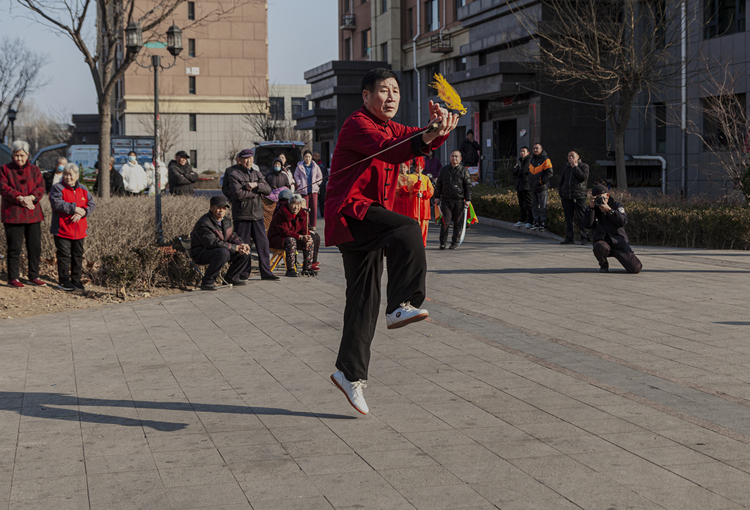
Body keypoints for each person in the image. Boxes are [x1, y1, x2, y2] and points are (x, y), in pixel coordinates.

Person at [324, 67, 457, 414]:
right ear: (366, 96)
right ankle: (403, 304)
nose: (391, 97)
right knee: (408, 229)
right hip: (351, 213)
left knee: (364, 301)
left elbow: (411, 138)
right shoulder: (358, 124)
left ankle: (349, 375)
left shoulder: (391, 126)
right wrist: (428, 134)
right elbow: (390, 150)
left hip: (365, 219)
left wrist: (439, 130)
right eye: (383, 90)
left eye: (395, 91)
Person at [227, 148, 279, 281]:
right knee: (244, 246)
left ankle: (266, 272)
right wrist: (256, 193)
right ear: (240, 160)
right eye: (246, 158)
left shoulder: (257, 174)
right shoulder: (234, 174)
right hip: (242, 215)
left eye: (250, 158)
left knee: (263, 245)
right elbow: (237, 194)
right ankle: (244, 273)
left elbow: (268, 190)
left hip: (258, 215)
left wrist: (256, 185)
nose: (248, 161)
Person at [0, 140, 46, 288]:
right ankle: (13, 277)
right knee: (14, 247)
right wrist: (20, 198)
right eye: (16, 155)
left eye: (22, 155)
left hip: (33, 213)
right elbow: (4, 188)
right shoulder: (4, 169)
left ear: (27, 155)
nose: (19, 158)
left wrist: (31, 198)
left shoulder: (35, 170)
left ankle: (33, 276)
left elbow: (41, 187)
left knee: (34, 247)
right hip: (13, 214)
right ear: (12, 155)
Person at [49, 163, 95, 291]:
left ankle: (76, 280)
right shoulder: (57, 188)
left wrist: (83, 212)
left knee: (78, 255)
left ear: (77, 176)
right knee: (63, 255)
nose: (68, 177)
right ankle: (63, 281)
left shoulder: (84, 189)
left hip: (79, 230)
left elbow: (91, 204)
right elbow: (56, 203)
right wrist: (75, 208)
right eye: (66, 174)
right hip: (62, 229)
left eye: (71, 174)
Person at [190, 196, 252, 290]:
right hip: (201, 253)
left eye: (224, 208)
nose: (221, 210)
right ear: (211, 208)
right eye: (219, 207)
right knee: (223, 253)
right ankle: (207, 282)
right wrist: (234, 248)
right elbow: (213, 243)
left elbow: (231, 236)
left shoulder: (226, 220)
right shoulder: (204, 223)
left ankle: (232, 278)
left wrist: (241, 245)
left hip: (219, 250)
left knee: (244, 253)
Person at [583, 184, 642, 274]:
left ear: (607, 196)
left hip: (619, 243)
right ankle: (603, 264)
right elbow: (587, 225)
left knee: (635, 268)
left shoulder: (617, 205)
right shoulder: (592, 209)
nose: (600, 201)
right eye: (597, 198)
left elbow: (623, 221)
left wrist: (609, 211)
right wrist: (590, 209)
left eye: (602, 198)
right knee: (599, 246)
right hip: (603, 242)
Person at [267, 193, 317, 277]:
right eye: (293, 203)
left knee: (310, 241)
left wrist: (307, 237)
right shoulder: (281, 214)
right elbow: (284, 232)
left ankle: (307, 268)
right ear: (289, 204)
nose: (296, 207)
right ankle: (290, 269)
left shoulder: (302, 214)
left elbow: (305, 230)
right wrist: (300, 237)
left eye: (298, 204)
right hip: (277, 239)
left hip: (293, 238)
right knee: (291, 240)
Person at [434, 150, 472, 250]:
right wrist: (436, 197)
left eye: (456, 156)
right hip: (446, 200)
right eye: (452, 156)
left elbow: (468, 186)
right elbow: (439, 184)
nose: (454, 158)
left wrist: (468, 199)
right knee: (445, 222)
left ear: (460, 159)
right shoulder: (444, 170)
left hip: (459, 200)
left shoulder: (464, 171)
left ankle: (455, 242)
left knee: (457, 222)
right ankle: (443, 242)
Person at [558, 151, 591, 244]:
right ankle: (569, 238)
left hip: (579, 196)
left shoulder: (584, 166)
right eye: (569, 156)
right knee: (568, 218)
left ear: (578, 157)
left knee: (582, 217)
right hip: (567, 197)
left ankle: (585, 237)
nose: (570, 158)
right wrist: (561, 192)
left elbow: (583, 177)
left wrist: (575, 167)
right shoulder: (566, 168)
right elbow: (561, 181)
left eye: (572, 156)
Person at [405, 158, 434, 247]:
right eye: (418, 166)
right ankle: (415, 242)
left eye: (421, 166)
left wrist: (424, 194)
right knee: (415, 224)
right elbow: (410, 189)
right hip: (415, 206)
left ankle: (423, 243)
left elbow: (431, 191)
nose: (419, 168)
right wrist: (418, 182)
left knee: (424, 226)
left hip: (424, 206)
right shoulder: (410, 177)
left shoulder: (426, 178)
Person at [294, 150, 323, 229]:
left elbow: (320, 176)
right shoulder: (299, 166)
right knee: (304, 208)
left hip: (313, 190)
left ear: (311, 157)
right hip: (303, 191)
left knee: (314, 208)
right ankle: (305, 225)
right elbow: (296, 176)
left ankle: (313, 225)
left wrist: (317, 183)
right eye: (306, 156)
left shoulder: (315, 166)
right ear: (303, 157)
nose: (307, 158)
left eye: (309, 156)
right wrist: (299, 182)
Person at [528, 143, 553, 231]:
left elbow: (549, 173)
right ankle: (536, 222)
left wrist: (541, 182)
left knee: (542, 206)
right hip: (533, 187)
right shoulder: (532, 160)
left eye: (537, 148)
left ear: (541, 149)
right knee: (534, 205)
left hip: (542, 187)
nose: (535, 150)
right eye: (534, 148)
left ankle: (543, 223)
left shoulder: (545, 159)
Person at [512, 147, 533, 229]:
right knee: (521, 204)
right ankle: (522, 219)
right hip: (520, 185)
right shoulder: (520, 161)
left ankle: (530, 221)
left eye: (523, 151)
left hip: (526, 185)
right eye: (520, 151)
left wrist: (518, 170)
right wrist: (518, 169)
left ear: (528, 152)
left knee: (528, 203)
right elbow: (514, 172)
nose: (521, 153)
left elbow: (523, 171)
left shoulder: (528, 160)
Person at [313, 150, 329, 217]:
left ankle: (323, 214)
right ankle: (313, 215)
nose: (317, 157)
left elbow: (326, 174)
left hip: (322, 186)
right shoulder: (312, 163)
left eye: (318, 156)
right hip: (313, 186)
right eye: (316, 156)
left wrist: (324, 181)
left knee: (322, 201)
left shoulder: (322, 164)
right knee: (313, 202)